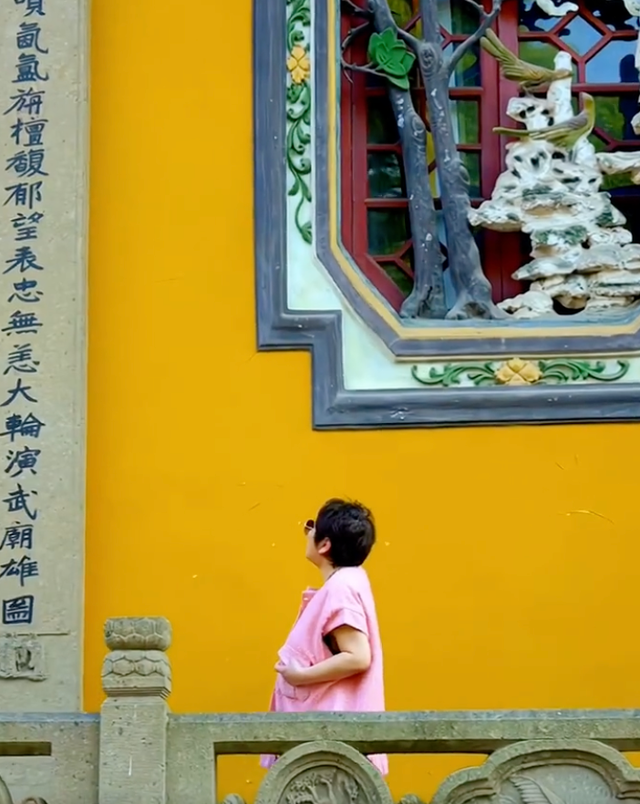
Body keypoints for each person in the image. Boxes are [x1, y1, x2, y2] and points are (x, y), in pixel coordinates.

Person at [261, 498, 387, 776]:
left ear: (325, 544)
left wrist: (299, 676)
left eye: (311, 527)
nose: (307, 534)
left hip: (326, 750)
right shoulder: (348, 582)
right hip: (325, 744)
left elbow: (357, 656)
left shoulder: (341, 587)